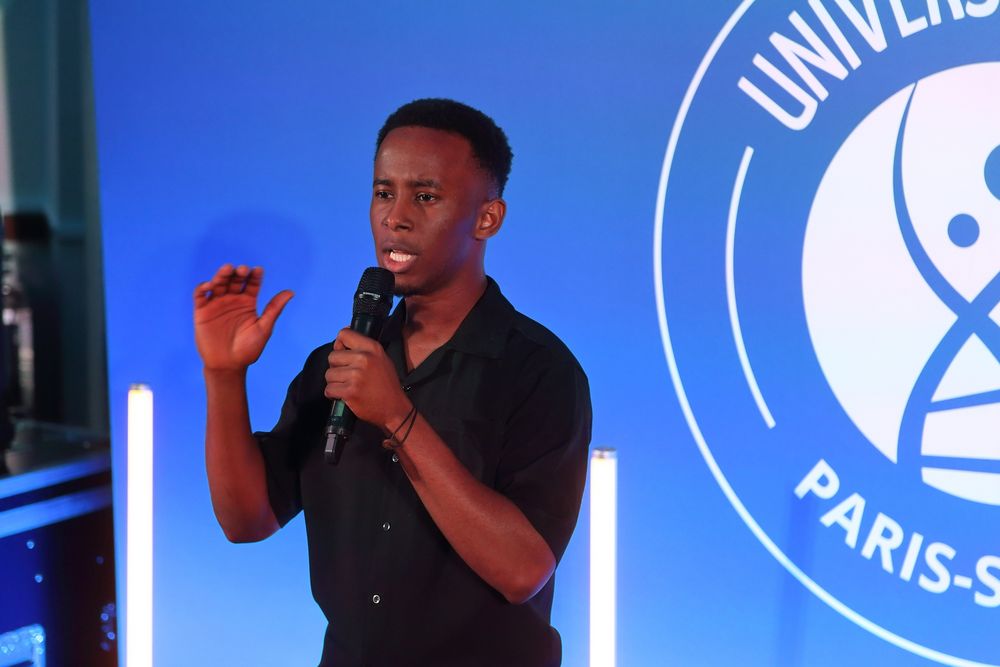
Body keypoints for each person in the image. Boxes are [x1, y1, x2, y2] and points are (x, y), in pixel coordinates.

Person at [193, 98, 591, 667]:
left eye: (424, 197)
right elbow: (246, 520)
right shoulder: (338, 364)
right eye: (384, 192)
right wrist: (224, 375)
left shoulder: (540, 371)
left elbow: (522, 571)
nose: (395, 217)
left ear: (487, 218)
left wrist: (398, 418)